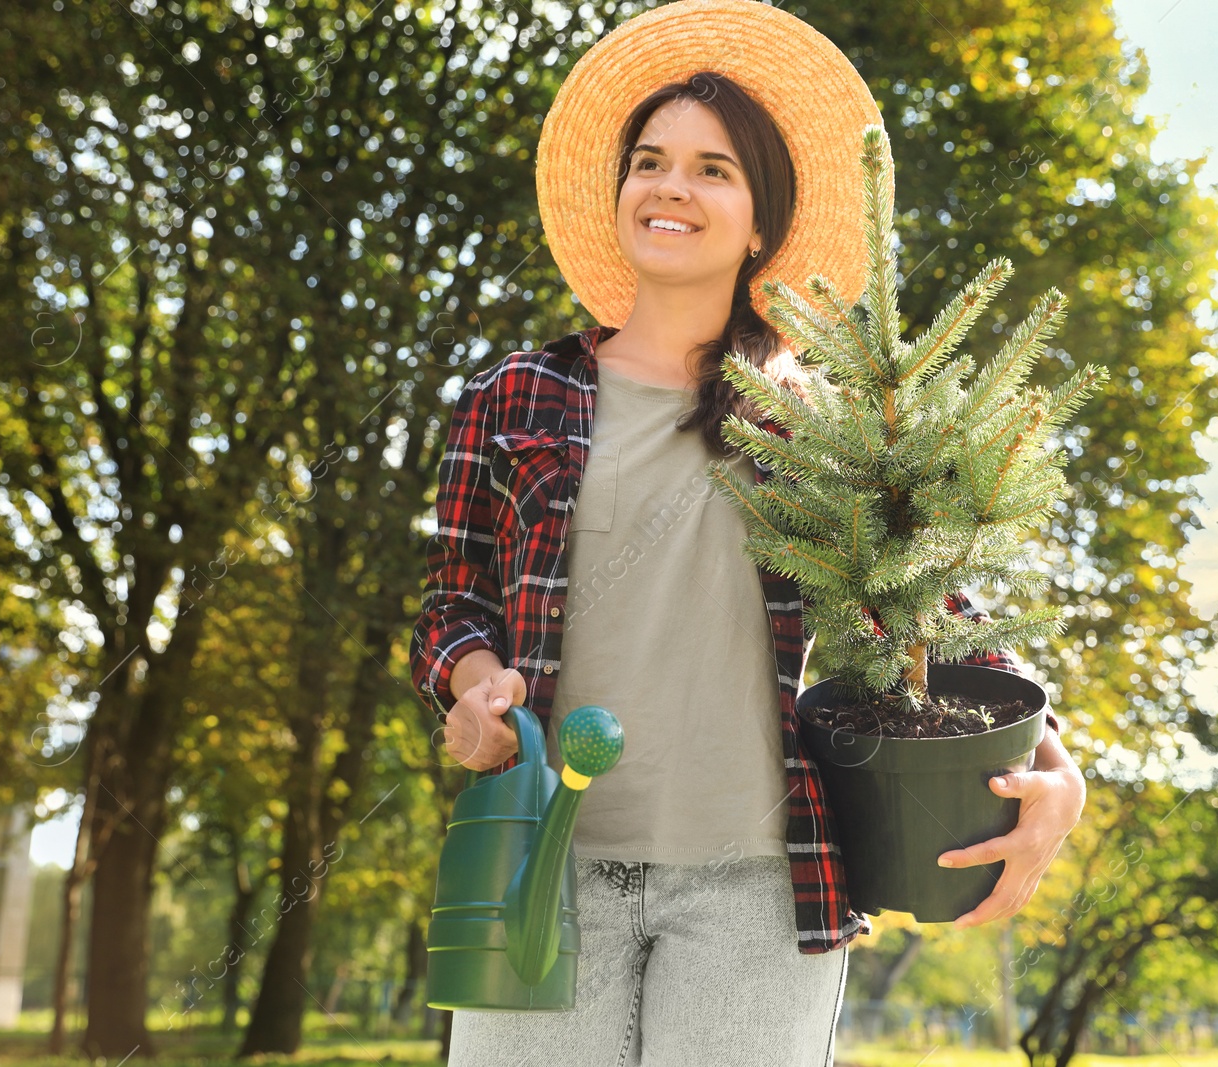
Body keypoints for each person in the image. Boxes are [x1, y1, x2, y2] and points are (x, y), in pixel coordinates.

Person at [408, 4, 1086, 1064]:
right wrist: (472, 686)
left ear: (761, 218)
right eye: (650, 161)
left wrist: (1060, 772)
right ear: (621, 189)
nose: (671, 186)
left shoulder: (818, 420)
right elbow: (454, 602)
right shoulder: (516, 394)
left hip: (763, 890)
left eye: (713, 168)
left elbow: (934, 616)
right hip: (540, 867)